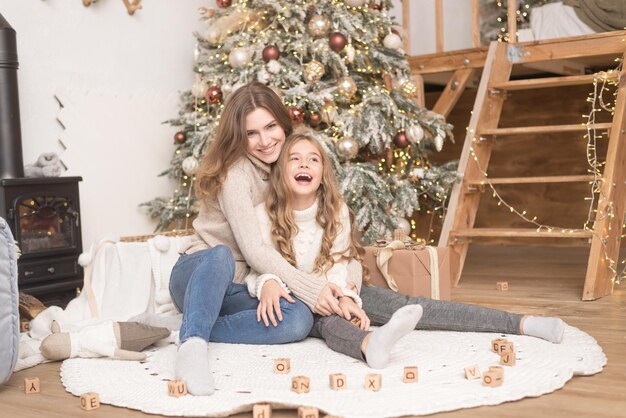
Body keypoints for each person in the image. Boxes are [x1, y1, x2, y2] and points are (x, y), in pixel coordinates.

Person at [136, 81, 565, 395]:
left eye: (271, 128)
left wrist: (347, 289)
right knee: (220, 259)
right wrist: (305, 287)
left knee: (302, 320)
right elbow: (254, 253)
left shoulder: (303, 182)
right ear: (239, 136)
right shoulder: (236, 176)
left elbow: (339, 251)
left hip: (265, 283)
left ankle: (518, 323)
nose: (264, 140)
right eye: (252, 133)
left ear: (286, 128)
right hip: (205, 273)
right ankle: (192, 341)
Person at [244, 132, 424, 369]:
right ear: (280, 171)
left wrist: (346, 297)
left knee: (345, 312)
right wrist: (266, 282)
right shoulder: (261, 215)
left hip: (326, 294)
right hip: (293, 301)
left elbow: (338, 263)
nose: (304, 164)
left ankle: (491, 319)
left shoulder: (336, 211)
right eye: (294, 159)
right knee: (330, 321)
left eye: (313, 159)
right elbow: (257, 263)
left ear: (322, 174)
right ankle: (370, 343)